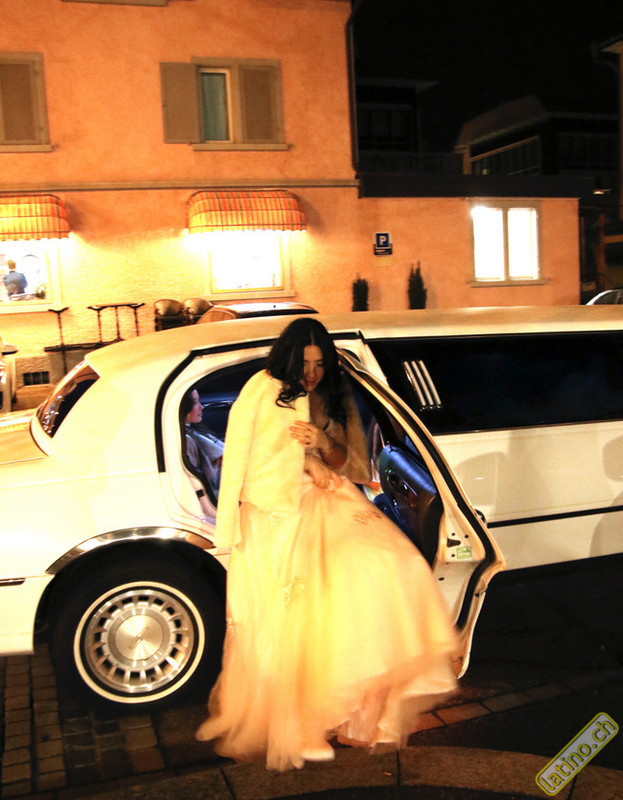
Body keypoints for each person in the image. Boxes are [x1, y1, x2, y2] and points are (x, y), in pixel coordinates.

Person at [196, 318, 458, 771]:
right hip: (272, 512)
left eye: (320, 364)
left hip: (326, 497)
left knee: (391, 565)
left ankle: (355, 710)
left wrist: (319, 445)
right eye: (306, 363)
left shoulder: (326, 395)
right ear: (289, 357)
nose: (313, 373)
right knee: (289, 616)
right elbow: (236, 458)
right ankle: (297, 725)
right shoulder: (260, 389)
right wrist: (229, 529)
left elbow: (343, 458)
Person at [182, 388, 225, 490]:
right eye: (195, 403)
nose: (201, 407)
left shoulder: (195, 430)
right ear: (183, 407)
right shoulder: (186, 441)